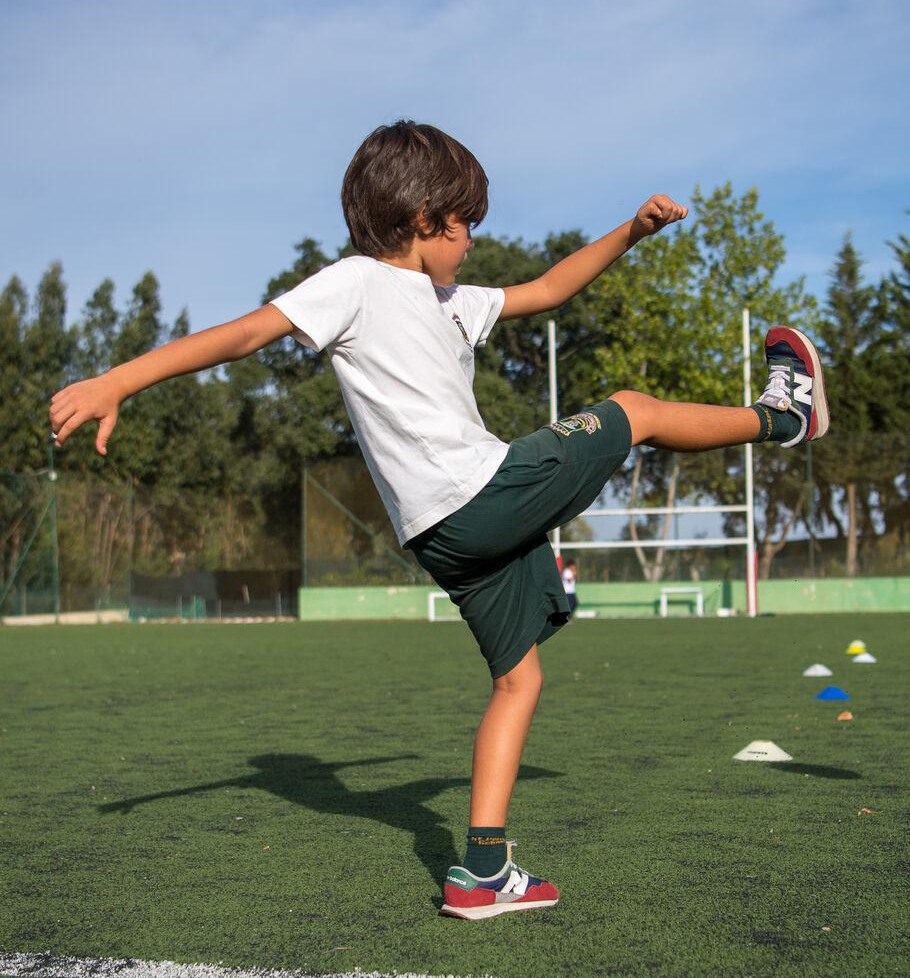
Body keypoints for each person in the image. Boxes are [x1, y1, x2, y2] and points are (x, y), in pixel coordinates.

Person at [49, 120, 829, 921]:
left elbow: (552, 289)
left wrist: (631, 231)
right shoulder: (354, 281)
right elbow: (247, 334)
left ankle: (482, 874)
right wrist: (119, 380)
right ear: (424, 218)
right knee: (633, 408)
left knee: (519, 678)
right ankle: (783, 418)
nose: (471, 246)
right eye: (465, 228)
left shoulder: (452, 301)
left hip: (440, 535)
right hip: (477, 494)